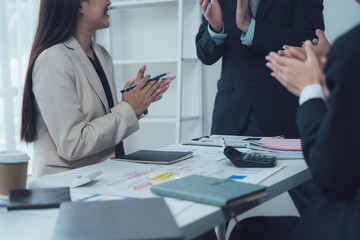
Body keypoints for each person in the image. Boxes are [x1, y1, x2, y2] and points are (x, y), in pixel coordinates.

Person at [20, 0, 174, 178]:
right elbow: (74, 144)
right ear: (78, 5)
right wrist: (129, 108)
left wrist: (135, 101)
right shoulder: (52, 59)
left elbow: (100, 120)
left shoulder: (101, 54)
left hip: (103, 176)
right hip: (68, 184)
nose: (109, 1)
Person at [261, 6, 360, 239]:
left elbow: (332, 177)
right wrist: (332, 67)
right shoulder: (349, 53)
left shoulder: (353, 49)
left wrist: (310, 91)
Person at [196, 0, 324, 137]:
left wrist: (250, 28)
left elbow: (310, 43)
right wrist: (216, 29)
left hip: (282, 113)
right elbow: (205, 56)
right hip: (230, 118)